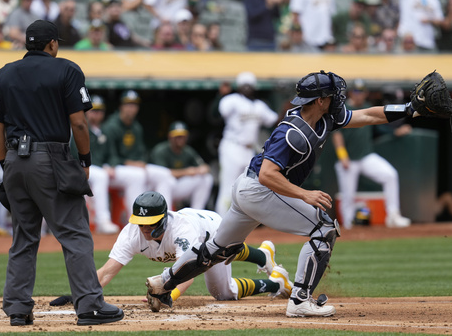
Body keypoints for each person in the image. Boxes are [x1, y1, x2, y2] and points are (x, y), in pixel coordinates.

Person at [144, 69, 432, 318]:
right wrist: (303, 195)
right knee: (324, 228)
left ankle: (162, 283)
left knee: (217, 250)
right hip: (259, 188)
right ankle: (300, 300)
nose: (337, 100)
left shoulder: (322, 115)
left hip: (248, 187)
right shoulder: (292, 132)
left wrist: (410, 109)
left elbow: (367, 115)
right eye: (332, 95)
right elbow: (270, 174)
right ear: (319, 100)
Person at [0, 20, 123, 326]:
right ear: (51, 44)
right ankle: (90, 306)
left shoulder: (5, 72)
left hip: (14, 160)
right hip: (50, 158)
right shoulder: (66, 69)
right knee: (74, 234)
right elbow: (78, 124)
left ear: (27, 44)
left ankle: (18, 309)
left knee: (23, 238)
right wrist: (85, 159)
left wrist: (5, 163)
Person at [50, 191, 292, 311]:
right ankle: (271, 270)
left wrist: (168, 295)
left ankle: (271, 274)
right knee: (224, 286)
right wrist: (80, 294)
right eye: (141, 223)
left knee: (222, 286)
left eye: (150, 223)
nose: (144, 229)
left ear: (164, 219)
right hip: (196, 228)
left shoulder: (181, 231)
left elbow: (187, 270)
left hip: (211, 228)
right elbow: (107, 272)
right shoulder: (132, 232)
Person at [331, 79, 410, 229]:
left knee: (390, 174)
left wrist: (395, 132)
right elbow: (336, 135)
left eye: (361, 91)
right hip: (349, 159)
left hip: (366, 156)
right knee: (348, 195)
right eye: (356, 91)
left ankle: (393, 215)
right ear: (350, 92)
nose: (358, 94)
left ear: (366, 93)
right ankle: (348, 226)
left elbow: (379, 127)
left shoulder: (368, 107)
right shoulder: (342, 109)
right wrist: (342, 156)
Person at [214, 71, 279, 218]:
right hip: (232, 146)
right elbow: (219, 112)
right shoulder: (232, 100)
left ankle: (239, 223)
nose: (247, 88)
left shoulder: (259, 105)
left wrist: (288, 105)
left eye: (249, 85)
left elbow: (274, 120)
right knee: (228, 187)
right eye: (244, 85)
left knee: (246, 188)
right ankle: (219, 223)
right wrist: (222, 94)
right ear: (239, 87)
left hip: (249, 151)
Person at [102, 90, 175, 211]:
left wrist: (139, 163)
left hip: (133, 166)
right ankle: (137, 218)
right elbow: (111, 157)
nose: (131, 109)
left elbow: (141, 153)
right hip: (113, 167)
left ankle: (165, 216)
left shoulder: (136, 127)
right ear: (121, 106)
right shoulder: (111, 126)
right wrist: (130, 163)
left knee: (164, 174)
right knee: (138, 175)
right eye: (128, 105)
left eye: (134, 105)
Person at [69, 94, 119, 234]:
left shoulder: (106, 130)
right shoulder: (79, 127)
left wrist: (112, 165)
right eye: (93, 110)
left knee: (136, 176)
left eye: (100, 111)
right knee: (102, 176)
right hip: (80, 168)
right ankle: (102, 220)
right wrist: (104, 166)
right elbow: (75, 153)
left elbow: (113, 154)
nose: (96, 114)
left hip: (101, 169)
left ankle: (133, 220)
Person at [150, 121, 213, 210]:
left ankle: (197, 213)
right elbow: (163, 174)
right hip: (157, 190)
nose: (180, 139)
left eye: (182, 136)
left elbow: (204, 166)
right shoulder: (160, 150)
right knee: (167, 181)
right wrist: (186, 172)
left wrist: (202, 169)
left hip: (178, 186)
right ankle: (166, 216)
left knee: (206, 178)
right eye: (177, 136)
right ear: (170, 137)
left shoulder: (188, 151)